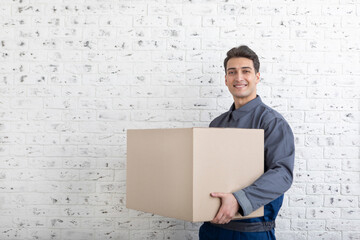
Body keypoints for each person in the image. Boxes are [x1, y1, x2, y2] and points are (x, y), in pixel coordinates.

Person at [199, 45, 295, 240]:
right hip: (212, 228)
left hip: (251, 233)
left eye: (246, 71)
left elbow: (283, 173)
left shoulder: (271, 122)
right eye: (232, 72)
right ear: (226, 79)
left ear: (257, 77)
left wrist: (238, 199)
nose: (239, 77)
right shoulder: (216, 124)